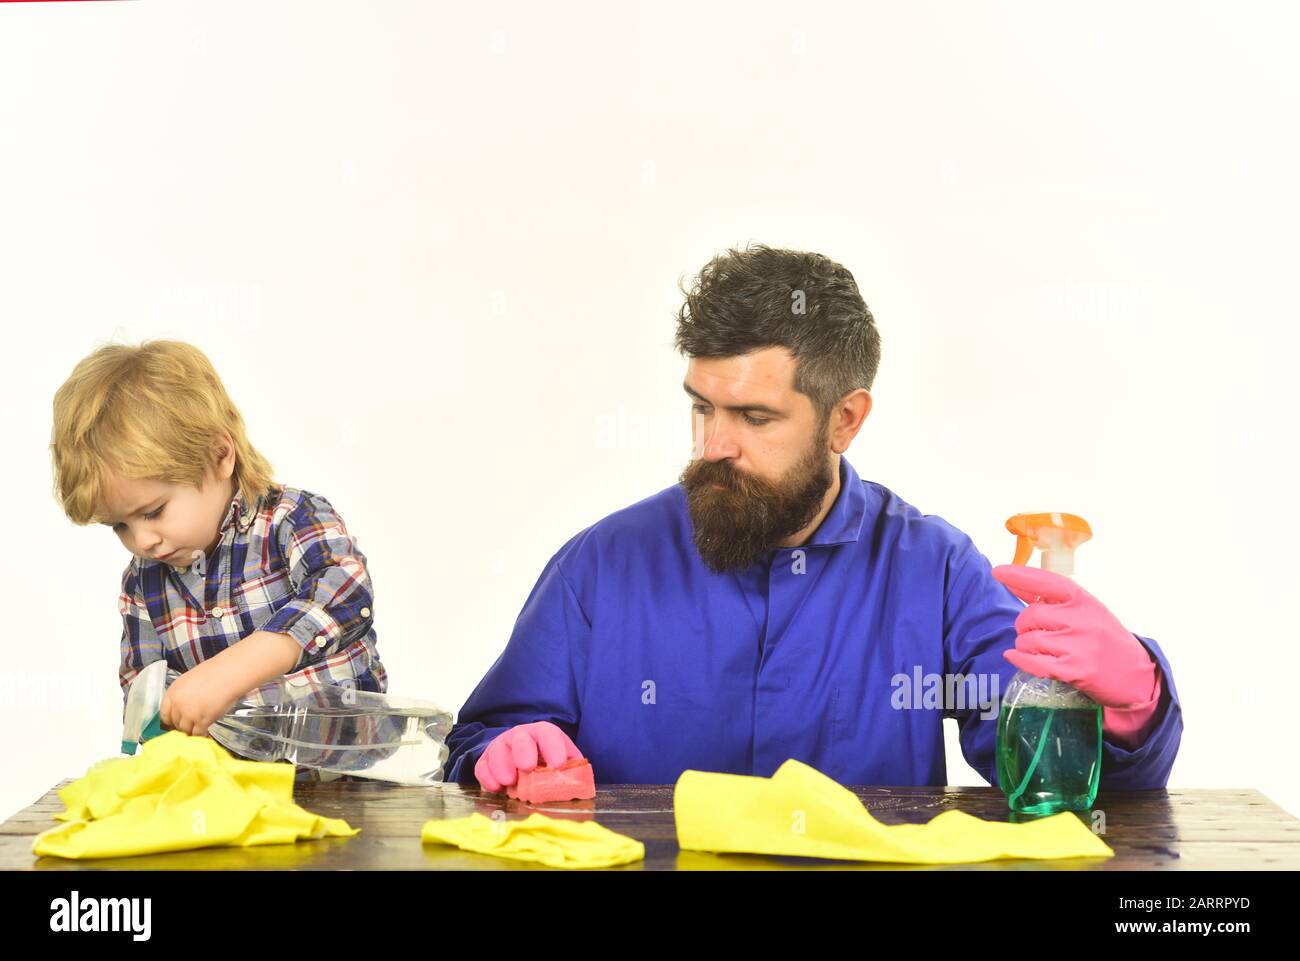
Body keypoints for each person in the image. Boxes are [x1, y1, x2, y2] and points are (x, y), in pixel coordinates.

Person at [446, 243, 1181, 791]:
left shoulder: (934, 571)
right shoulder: (601, 567)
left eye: (755, 416)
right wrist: (500, 751)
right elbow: (484, 738)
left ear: (846, 419)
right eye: (702, 406)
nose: (713, 444)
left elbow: (1050, 780)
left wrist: (1134, 701)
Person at [50, 339, 386, 781]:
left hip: (348, 778)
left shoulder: (290, 520)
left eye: (153, 512)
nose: (143, 540)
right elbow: (143, 686)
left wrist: (239, 667)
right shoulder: (142, 586)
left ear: (219, 455)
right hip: (232, 790)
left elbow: (346, 592)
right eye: (120, 527)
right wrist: (169, 724)